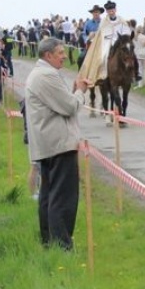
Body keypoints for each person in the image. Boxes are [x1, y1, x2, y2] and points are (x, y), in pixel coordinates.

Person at [25, 37, 92, 250]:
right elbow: (69, 107)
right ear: (48, 55)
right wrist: (80, 91)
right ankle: (62, 246)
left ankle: (50, 243)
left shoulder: (42, 74)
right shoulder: (46, 75)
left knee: (49, 195)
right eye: (60, 52)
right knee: (62, 199)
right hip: (58, 145)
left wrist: (73, 92)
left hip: (50, 144)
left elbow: (61, 102)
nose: (64, 56)